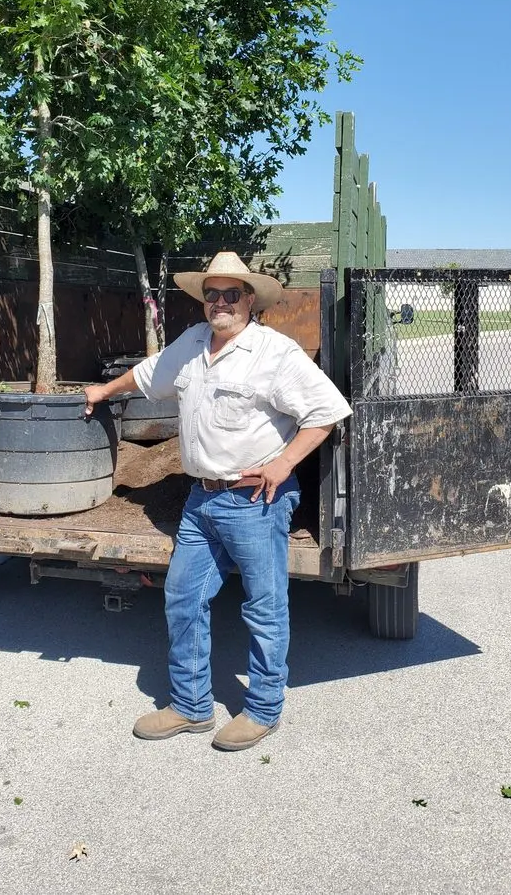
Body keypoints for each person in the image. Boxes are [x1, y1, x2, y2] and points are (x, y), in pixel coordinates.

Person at [84, 251, 352, 751]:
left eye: (232, 294)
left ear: (250, 300)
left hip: (255, 500)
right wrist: (103, 390)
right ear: (203, 300)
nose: (221, 302)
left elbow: (327, 411)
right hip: (200, 501)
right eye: (213, 294)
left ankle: (265, 710)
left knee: (264, 609)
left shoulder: (275, 353)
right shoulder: (191, 344)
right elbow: (147, 376)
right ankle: (190, 705)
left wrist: (282, 464)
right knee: (182, 598)